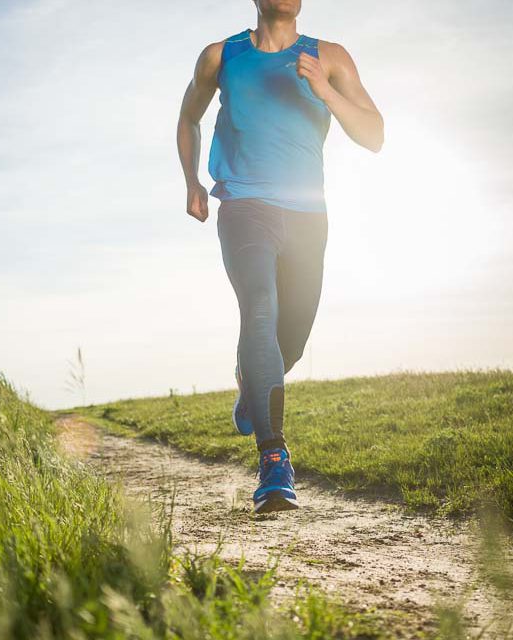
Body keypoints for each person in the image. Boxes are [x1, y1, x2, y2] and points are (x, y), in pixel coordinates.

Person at [176, 0, 384, 514]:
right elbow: (188, 119)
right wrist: (191, 183)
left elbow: (374, 135)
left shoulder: (329, 56)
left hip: (309, 214)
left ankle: (252, 381)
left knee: (289, 337)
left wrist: (326, 91)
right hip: (245, 206)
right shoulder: (221, 56)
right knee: (259, 308)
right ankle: (274, 460)